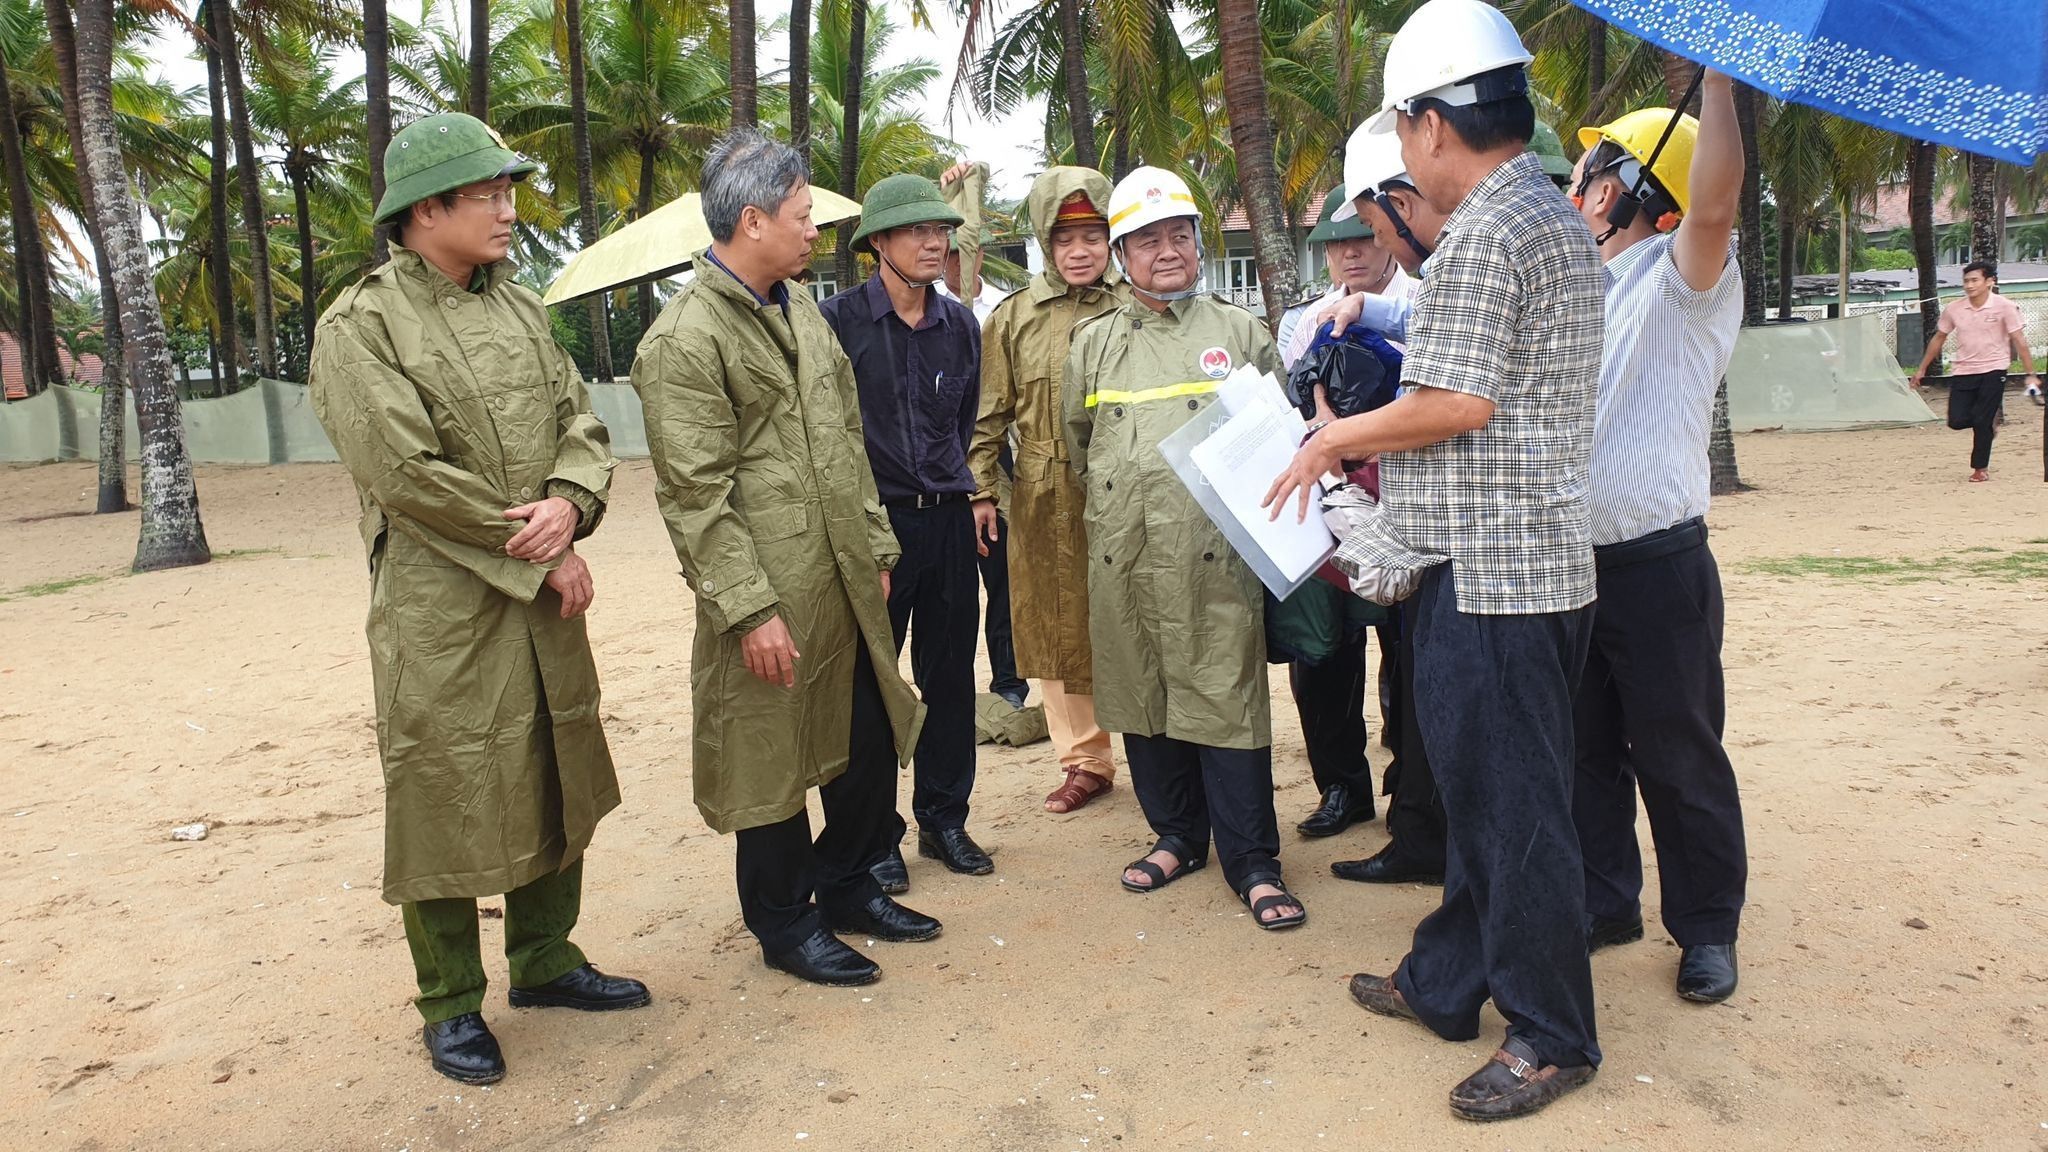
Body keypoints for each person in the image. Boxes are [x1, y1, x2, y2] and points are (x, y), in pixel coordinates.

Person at [1266, 0, 1606, 1120]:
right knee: (1480, 795)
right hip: (1513, 560)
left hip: (1497, 577)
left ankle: (1550, 1035)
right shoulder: (1542, 215)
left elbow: (1456, 400)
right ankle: (1448, 978)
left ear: (1428, 124)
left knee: (1513, 812)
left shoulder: (1490, 231)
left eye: (1401, 132)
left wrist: (1335, 435)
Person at [308, 112, 648, 1086]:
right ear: (425, 212)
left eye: (509, 191)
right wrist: (535, 550)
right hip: (442, 608)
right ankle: (450, 1001)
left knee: (553, 764)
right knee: (446, 792)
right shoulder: (361, 326)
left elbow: (577, 419)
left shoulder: (518, 307)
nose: (508, 209)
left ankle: (544, 959)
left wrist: (572, 502)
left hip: (541, 591)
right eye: (488, 195)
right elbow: (406, 475)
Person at [631, 128, 933, 989]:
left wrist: (875, 544)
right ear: (754, 221)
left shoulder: (799, 306)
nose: (814, 232)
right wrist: (750, 609)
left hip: (840, 572)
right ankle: (785, 921)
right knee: (771, 761)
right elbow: (696, 495)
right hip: (768, 591)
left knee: (864, 738)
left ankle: (850, 885)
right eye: (802, 217)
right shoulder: (684, 339)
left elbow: (844, 434)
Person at [1064, 166, 1305, 930]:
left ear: (1199, 245)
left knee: (1225, 703)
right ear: (1122, 254)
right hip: (1125, 557)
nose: (1167, 251)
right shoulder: (1093, 346)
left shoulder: (1240, 335)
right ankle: (1176, 836)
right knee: (1143, 695)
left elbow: (1283, 439)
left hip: (1216, 563)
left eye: (1179, 236)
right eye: (1147, 240)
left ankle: (1253, 862)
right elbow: (1079, 446)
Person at [1567, 77, 1750, 1005]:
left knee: (1677, 753)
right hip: (1574, 566)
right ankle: (1607, 901)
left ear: (1622, 190)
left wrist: (1717, 79)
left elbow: (1714, 202)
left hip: (1657, 563)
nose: (1574, 186)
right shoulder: (1582, 289)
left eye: (1588, 170)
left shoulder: (1684, 282)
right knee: (1586, 750)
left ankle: (1707, 927)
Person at [820, 174, 997, 885]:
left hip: (949, 521)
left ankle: (944, 821)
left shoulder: (960, 324)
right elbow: (830, 436)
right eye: (916, 232)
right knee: (868, 687)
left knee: (950, 676)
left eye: (941, 231)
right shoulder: (837, 324)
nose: (934, 243)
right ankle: (874, 837)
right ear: (878, 245)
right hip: (876, 529)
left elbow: (964, 421)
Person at [1319, 126, 1455, 887]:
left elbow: (1453, 403)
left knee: (1445, 717)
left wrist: (1329, 441)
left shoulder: (1481, 256)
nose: (1367, 248)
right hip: (1423, 544)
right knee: (1417, 696)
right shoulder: (1442, 277)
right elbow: (1434, 324)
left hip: (1471, 556)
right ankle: (1418, 834)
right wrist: (1375, 315)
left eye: (1372, 230)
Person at [972, 168, 1130, 813]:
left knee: (1134, 616)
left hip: (1128, 489)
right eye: (1066, 240)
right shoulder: (1013, 319)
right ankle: (1084, 760)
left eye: (1094, 235)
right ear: (1045, 243)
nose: (1082, 251)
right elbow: (987, 415)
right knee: (1057, 625)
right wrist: (981, 490)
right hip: (1042, 496)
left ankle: (1163, 752)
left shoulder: (1138, 304)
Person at [1275, 186, 1406, 840]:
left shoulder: (1419, 304)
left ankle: (1410, 790)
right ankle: (1341, 788)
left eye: (1365, 235)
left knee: (1409, 652)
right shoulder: (1300, 323)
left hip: (1405, 506)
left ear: (1391, 232)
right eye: (1337, 242)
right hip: (1325, 512)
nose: (1351, 251)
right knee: (1323, 654)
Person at [1909, 260, 2040, 481]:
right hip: (1963, 370)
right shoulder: (1954, 308)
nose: (1969, 286)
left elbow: (2019, 340)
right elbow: (1939, 337)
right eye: (1966, 281)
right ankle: (1990, 422)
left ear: (1990, 281)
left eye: (1974, 280)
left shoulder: (2005, 306)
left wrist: (2031, 374)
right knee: (1956, 421)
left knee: (1981, 421)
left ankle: (1980, 468)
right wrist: (1921, 369)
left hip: (1994, 369)